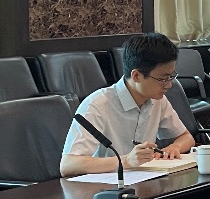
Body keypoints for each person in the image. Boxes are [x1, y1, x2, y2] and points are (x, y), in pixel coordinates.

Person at [60, 32, 194, 177]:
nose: (169, 85)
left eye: (171, 77)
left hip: (144, 180)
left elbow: (186, 137)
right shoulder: (96, 105)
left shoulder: (157, 100)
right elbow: (68, 165)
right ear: (136, 76)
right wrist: (126, 161)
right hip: (105, 185)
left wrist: (174, 147)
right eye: (163, 79)